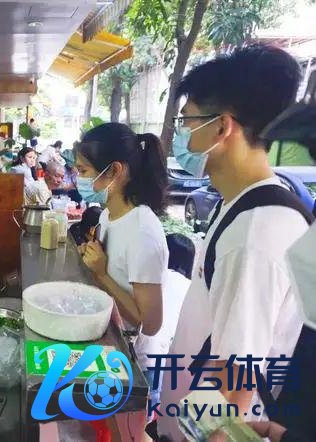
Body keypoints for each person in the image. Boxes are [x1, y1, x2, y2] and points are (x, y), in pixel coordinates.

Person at [157, 45, 308, 441]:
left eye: (187, 121)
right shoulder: (244, 204)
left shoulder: (255, 233)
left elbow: (236, 381)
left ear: (222, 128)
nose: (181, 136)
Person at [76, 123, 169, 434]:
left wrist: (101, 273)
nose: (78, 179)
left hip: (135, 366)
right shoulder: (108, 214)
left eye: (83, 170)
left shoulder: (143, 231)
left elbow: (150, 323)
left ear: (114, 171)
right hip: (112, 346)